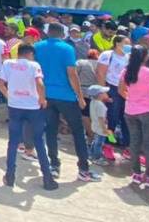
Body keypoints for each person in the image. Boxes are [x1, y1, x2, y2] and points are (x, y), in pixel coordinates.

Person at [35, 22, 102, 183]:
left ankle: (54, 165)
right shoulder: (67, 49)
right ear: (61, 34)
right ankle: (83, 169)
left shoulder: (37, 47)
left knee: (51, 130)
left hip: (46, 95)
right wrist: (80, 96)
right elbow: (72, 74)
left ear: (48, 32)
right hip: (66, 96)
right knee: (78, 132)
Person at [0, 43, 57, 190]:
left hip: (15, 106)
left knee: (13, 142)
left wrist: (9, 96)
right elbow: (40, 84)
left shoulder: (8, 63)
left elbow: (0, 83)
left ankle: (10, 175)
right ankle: (47, 178)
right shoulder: (33, 65)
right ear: (30, 54)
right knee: (38, 141)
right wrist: (42, 99)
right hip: (33, 108)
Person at [118, 45, 149, 188]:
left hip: (130, 111)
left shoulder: (126, 72)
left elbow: (121, 90)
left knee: (134, 143)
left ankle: (136, 173)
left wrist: (131, 99)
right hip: (148, 111)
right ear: (145, 57)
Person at [96, 34, 131, 151]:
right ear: (117, 43)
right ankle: (108, 142)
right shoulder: (108, 55)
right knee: (112, 116)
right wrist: (103, 91)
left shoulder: (128, 57)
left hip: (125, 89)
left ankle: (126, 144)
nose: (128, 46)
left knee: (126, 117)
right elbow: (100, 73)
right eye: (125, 43)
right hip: (112, 87)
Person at [87, 84, 112, 165]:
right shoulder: (101, 105)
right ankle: (97, 158)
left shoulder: (92, 102)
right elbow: (101, 118)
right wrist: (105, 129)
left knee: (95, 141)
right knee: (99, 143)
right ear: (100, 95)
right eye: (104, 92)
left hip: (94, 125)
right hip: (101, 128)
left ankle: (91, 154)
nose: (106, 94)